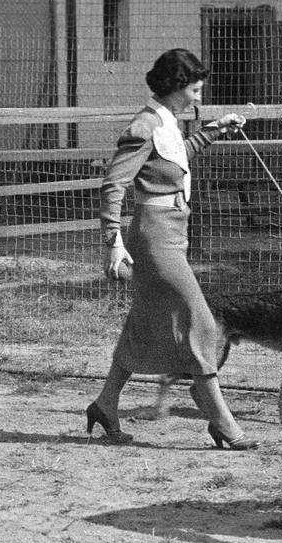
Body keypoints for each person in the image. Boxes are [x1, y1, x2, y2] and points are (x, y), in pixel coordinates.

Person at [85, 48, 255, 450]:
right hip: (155, 236)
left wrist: (214, 130)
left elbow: (174, 160)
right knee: (202, 322)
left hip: (175, 231)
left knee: (144, 323)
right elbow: (114, 184)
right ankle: (220, 420)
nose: (198, 97)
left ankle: (106, 404)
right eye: (195, 90)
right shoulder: (144, 125)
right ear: (177, 87)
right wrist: (113, 242)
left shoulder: (166, 122)